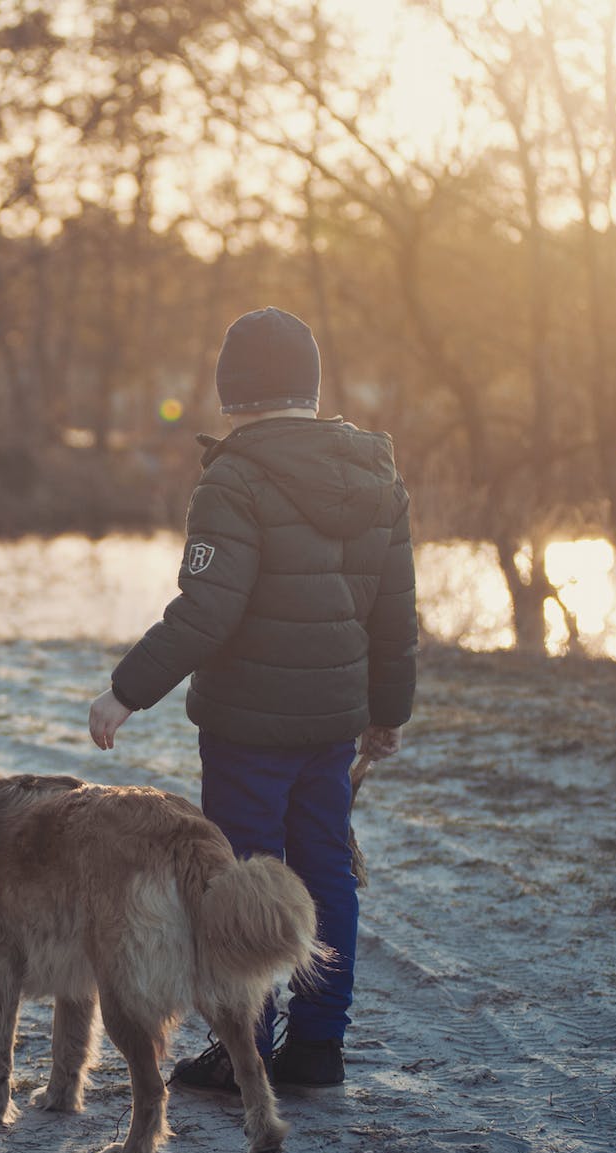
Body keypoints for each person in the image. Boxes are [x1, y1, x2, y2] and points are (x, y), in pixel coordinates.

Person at [86, 306, 417, 1091]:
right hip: (334, 720)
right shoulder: (377, 475)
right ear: (309, 385)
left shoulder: (232, 478)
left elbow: (207, 609)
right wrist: (387, 710)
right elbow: (395, 613)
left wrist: (125, 691)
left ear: (234, 391)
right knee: (326, 869)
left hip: (248, 727)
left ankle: (246, 1052)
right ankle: (319, 1049)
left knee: (240, 877)